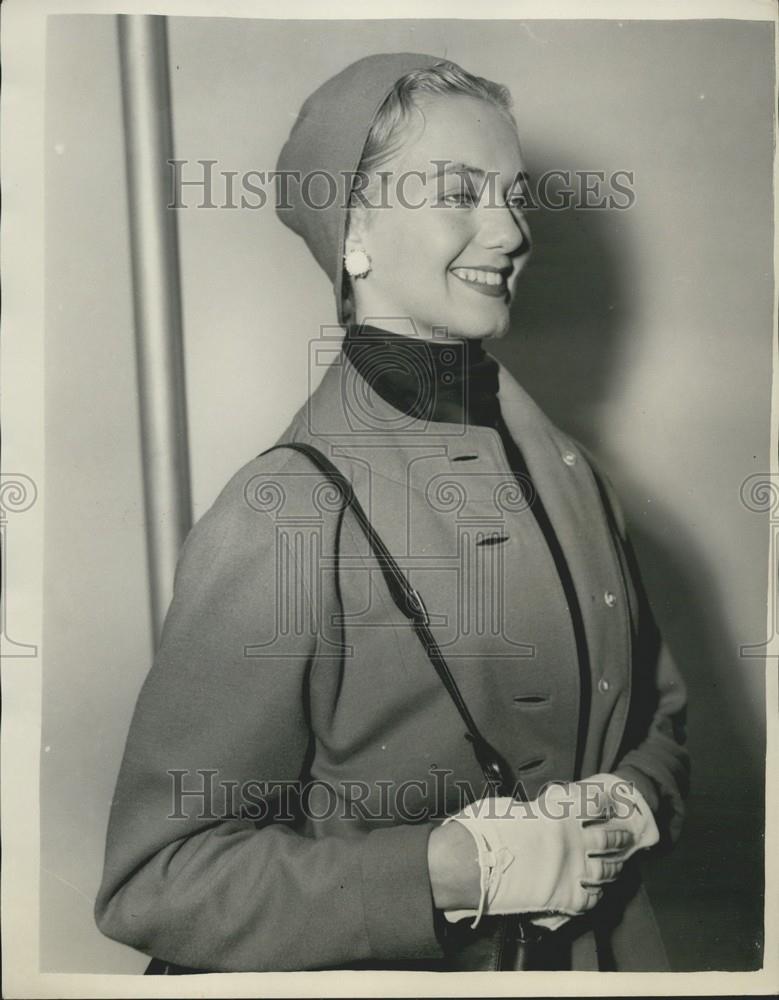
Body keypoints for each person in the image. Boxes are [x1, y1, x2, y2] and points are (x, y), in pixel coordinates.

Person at [95, 52, 690, 973]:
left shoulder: (570, 472)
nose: (509, 230)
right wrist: (456, 871)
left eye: (514, 193)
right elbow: (160, 879)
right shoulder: (283, 514)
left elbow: (659, 714)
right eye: (459, 191)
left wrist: (629, 800)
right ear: (353, 229)